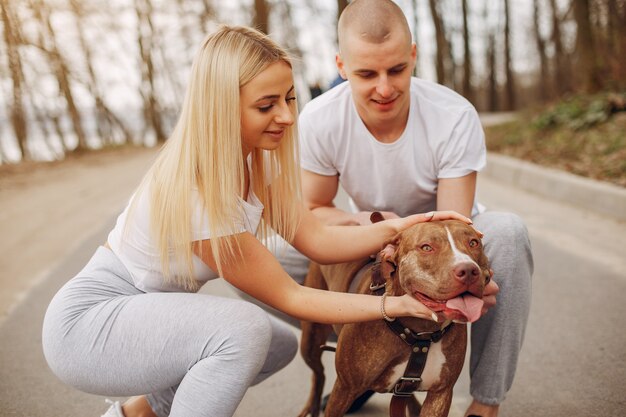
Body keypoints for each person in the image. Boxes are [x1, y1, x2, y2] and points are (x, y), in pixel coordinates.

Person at [41, 25, 471, 417]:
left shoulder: (255, 168)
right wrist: (395, 304)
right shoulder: (196, 188)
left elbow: (319, 240)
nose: (286, 116)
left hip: (144, 316)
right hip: (90, 327)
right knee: (242, 330)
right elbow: (293, 297)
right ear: (220, 108)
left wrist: (406, 225)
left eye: (288, 98)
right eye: (266, 105)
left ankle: (135, 414)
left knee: (276, 344)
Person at [275, 1, 534, 416]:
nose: (384, 88)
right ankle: (369, 360)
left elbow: (452, 223)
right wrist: (367, 227)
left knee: (509, 232)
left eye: (396, 70)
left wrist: (444, 268)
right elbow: (315, 210)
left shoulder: (453, 115)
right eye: (366, 74)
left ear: (413, 55)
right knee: (265, 251)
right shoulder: (321, 119)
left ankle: (486, 403)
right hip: (372, 236)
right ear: (341, 66)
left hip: (442, 242)